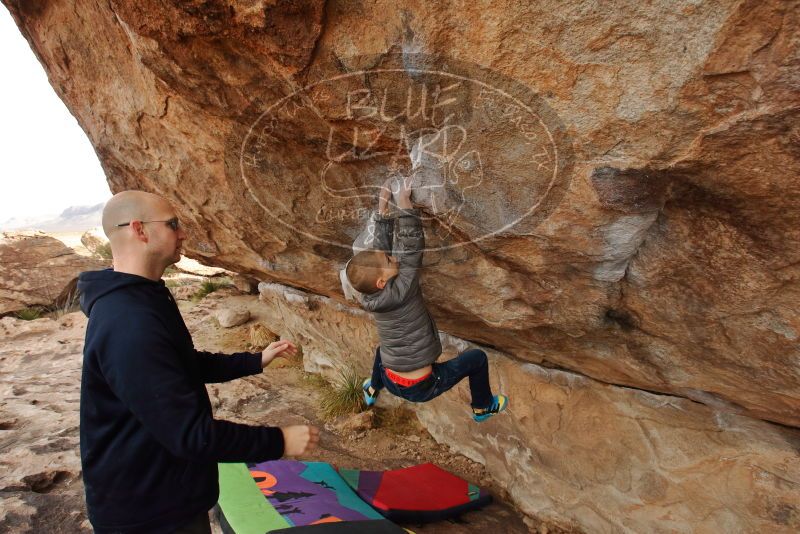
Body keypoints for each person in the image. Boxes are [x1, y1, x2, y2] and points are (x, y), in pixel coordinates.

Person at [77, 191, 319, 534]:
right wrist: (280, 441)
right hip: (147, 512)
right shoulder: (128, 321)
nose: (183, 233)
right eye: (173, 224)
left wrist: (254, 360)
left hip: (165, 491)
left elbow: (178, 366)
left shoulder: (144, 295)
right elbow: (190, 435)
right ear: (139, 230)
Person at [345, 177, 509, 422]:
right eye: (390, 262)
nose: (394, 259)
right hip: (423, 385)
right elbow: (412, 250)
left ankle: (372, 387)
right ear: (381, 281)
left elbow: (380, 254)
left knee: (385, 349)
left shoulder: (370, 294)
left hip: (390, 378)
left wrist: (383, 209)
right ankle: (483, 407)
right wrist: (404, 205)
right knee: (477, 359)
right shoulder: (403, 288)